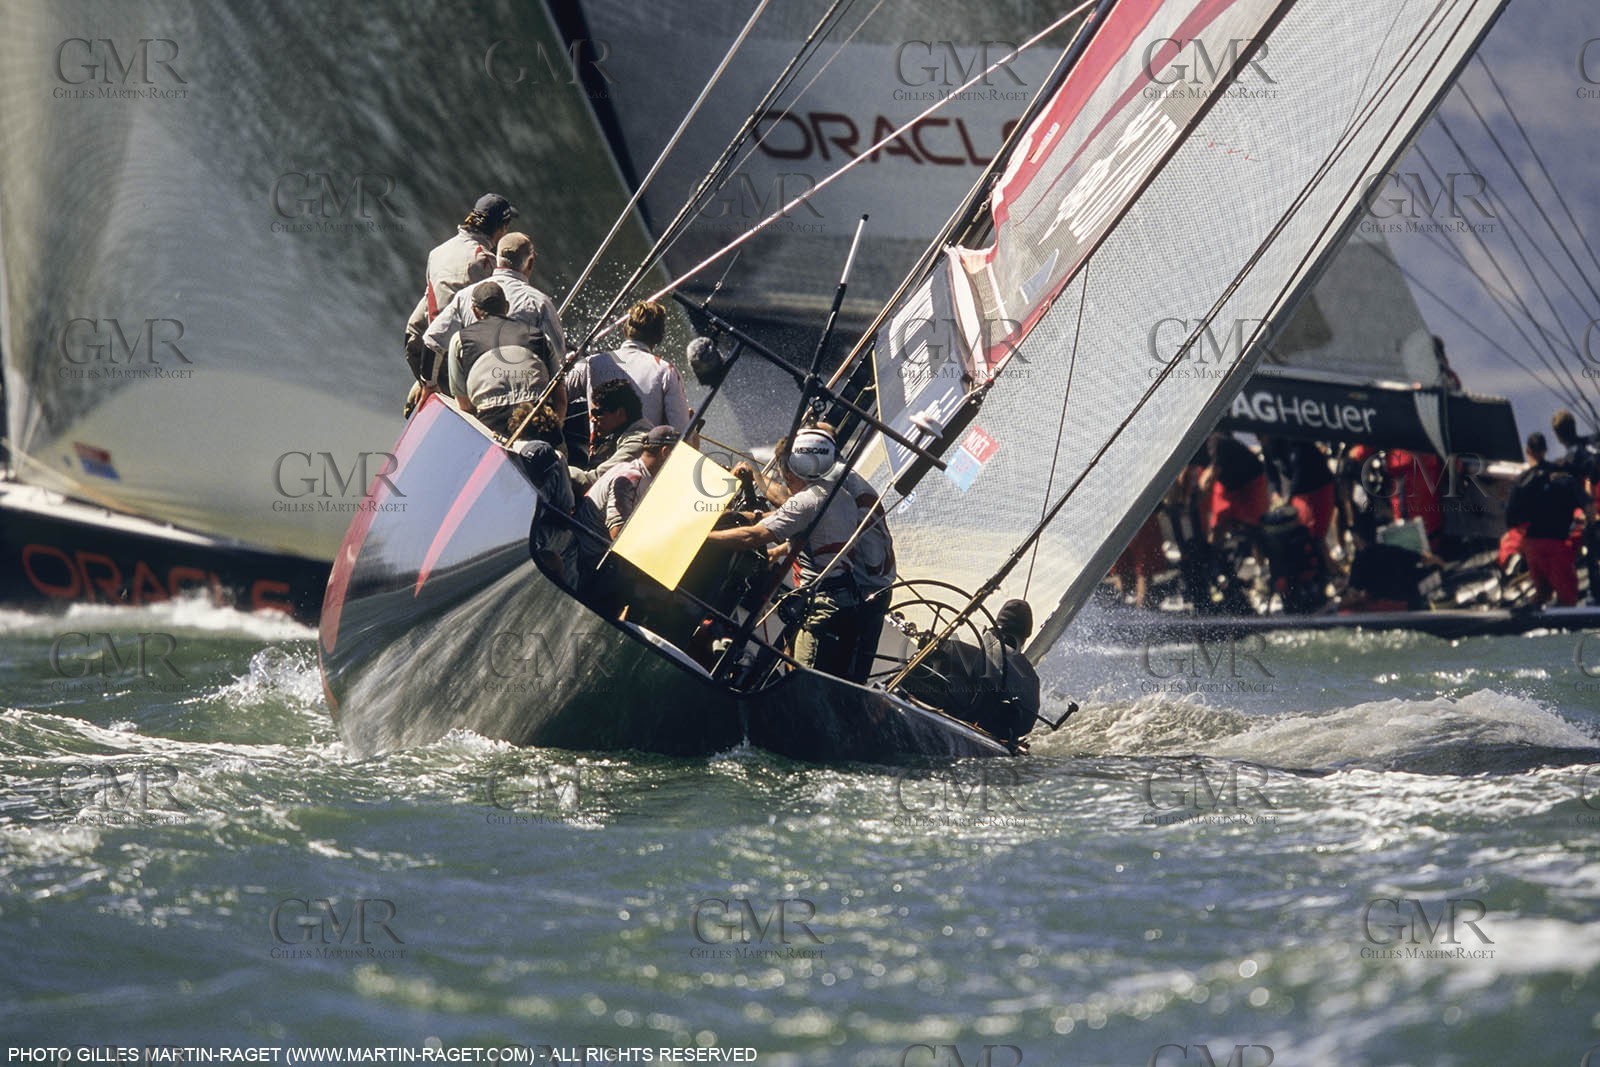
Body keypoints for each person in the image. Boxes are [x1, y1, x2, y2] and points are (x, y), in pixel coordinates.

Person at [706, 426, 892, 682]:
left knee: (801, 683)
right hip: (845, 597)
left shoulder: (812, 498)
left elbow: (756, 535)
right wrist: (745, 518)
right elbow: (809, 525)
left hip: (826, 604)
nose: (785, 478)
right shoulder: (836, 489)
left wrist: (705, 538)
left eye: (787, 470)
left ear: (801, 463)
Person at [424, 232, 567, 402]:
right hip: (526, 401)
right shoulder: (539, 303)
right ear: (530, 262)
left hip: (476, 397)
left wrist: (429, 385)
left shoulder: (467, 296)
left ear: (497, 258)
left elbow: (432, 342)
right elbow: (558, 358)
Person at [404, 193, 517, 392]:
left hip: (430, 353)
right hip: (458, 364)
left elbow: (417, 321)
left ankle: (424, 389)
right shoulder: (484, 262)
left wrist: (424, 377)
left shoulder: (438, 252)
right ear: (501, 228)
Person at [905, 599, 1041, 746]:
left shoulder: (960, 634)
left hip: (913, 693)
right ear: (1025, 637)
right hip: (958, 723)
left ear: (996, 623)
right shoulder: (1026, 674)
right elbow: (1024, 726)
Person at [565, 300, 691, 432]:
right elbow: (681, 433)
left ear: (625, 329)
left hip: (599, 452)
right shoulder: (666, 371)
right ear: (659, 337)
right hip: (645, 452)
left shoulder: (590, 363)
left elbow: (555, 398)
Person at [446, 281, 553, 437]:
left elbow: (465, 406)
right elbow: (560, 397)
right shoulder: (539, 336)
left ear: (475, 312)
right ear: (507, 307)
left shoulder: (460, 340)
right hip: (538, 419)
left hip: (492, 423)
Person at [1505, 431, 1591, 607]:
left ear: (1527, 451)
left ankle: (1529, 618)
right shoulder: (1564, 477)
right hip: (1558, 546)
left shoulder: (1521, 481)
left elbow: (1510, 519)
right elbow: (1588, 508)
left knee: (1542, 594)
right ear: (1545, 450)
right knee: (1568, 600)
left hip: (1532, 546)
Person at [505, 403, 578, 588]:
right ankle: (571, 593)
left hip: (506, 533)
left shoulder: (506, 449)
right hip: (535, 536)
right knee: (572, 540)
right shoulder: (554, 457)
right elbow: (565, 506)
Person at [580, 425, 678, 540]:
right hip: (591, 551)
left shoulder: (645, 476)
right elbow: (617, 533)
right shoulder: (630, 477)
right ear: (665, 452)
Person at [569, 379, 651, 491]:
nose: (592, 419)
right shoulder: (621, 435)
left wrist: (558, 466)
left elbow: (596, 480)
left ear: (620, 413)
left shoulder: (638, 443)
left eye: (597, 413)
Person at [1553, 408, 1600, 603]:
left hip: (1594, 511)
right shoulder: (1593, 440)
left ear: (1558, 436)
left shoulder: (1572, 457)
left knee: (1592, 543)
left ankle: (1596, 596)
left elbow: (1585, 485)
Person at [1199, 433, 1269, 545]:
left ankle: (1260, 555)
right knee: (1217, 523)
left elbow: (1209, 480)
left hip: (1251, 481)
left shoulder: (1216, 442)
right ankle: (1212, 551)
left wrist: (1200, 500)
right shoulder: (1192, 451)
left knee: (1255, 526)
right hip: (1228, 485)